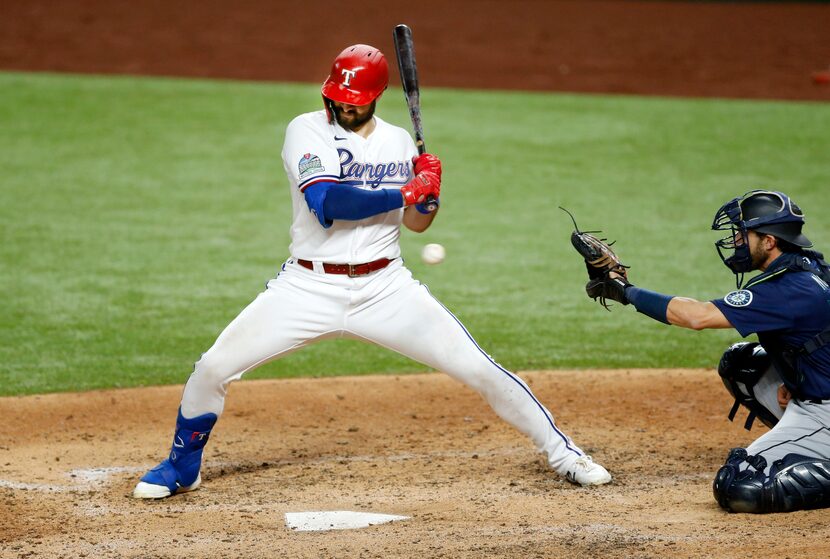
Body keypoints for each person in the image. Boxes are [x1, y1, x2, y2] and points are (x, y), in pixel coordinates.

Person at [132, 43, 611, 499]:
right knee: (213, 367)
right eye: (338, 98)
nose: (343, 107)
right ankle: (181, 467)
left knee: (479, 368)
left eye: (354, 101)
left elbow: (417, 225)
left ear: (374, 98)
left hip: (387, 288)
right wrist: (405, 191)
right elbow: (328, 202)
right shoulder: (306, 129)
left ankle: (563, 453)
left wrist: (429, 193)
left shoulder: (399, 141)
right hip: (308, 286)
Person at [591, 189, 830, 513]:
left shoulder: (787, 289)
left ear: (770, 241)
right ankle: (803, 437)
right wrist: (801, 376)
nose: (736, 241)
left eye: (744, 234)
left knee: (740, 485)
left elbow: (696, 316)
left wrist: (625, 291)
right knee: (743, 364)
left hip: (824, 412)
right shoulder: (809, 270)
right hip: (814, 394)